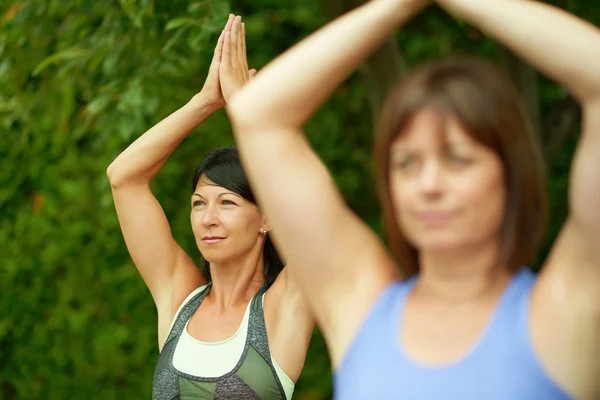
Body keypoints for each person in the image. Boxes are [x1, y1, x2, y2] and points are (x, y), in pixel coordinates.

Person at [226, 0, 600, 398]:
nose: (429, 184)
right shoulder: (360, 306)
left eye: (457, 158)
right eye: (406, 163)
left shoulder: (565, 310)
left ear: (511, 175)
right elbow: (258, 114)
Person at [106, 15, 313, 400]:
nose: (208, 218)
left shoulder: (286, 305)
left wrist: (246, 112)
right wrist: (204, 102)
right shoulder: (178, 297)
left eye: (227, 202)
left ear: (267, 217)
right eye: (198, 203)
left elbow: (313, 212)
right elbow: (124, 177)